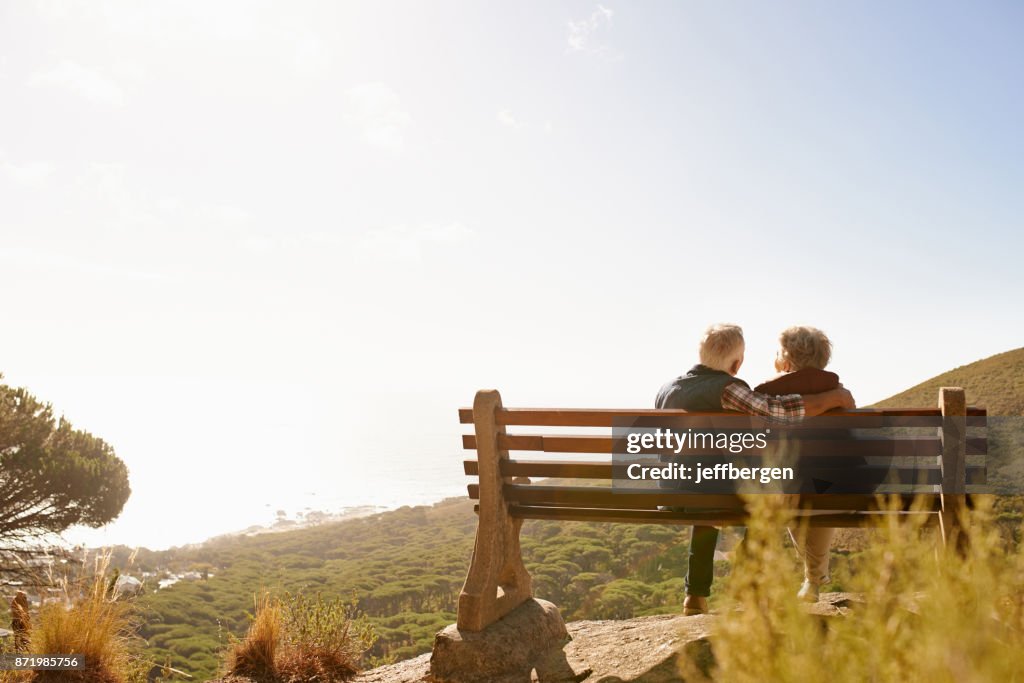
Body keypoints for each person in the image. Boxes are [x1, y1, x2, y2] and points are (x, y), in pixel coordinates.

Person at [655, 323, 855, 616]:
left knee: (708, 508)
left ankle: (695, 596)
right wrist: (832, 399)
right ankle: (749, 588)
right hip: (714, 487)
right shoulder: (730, 389)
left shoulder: (667, 389)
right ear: (737, 363)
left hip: (675, 491)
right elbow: (777, 412)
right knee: (766, 501)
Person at [754, 325, 846, 603]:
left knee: (789, 486)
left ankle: (806, 579)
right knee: (821, 490)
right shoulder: (838, 391)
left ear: (785, 358)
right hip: (838, 490)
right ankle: (813, 579)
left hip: (785, 491)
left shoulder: (765, 391)